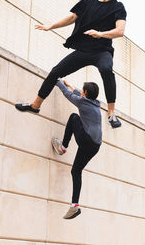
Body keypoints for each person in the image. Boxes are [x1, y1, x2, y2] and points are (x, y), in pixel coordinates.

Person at [15, 0, 127, 128]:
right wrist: (51, 26)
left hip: (102, 51)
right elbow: (73, 17)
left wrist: (100, 34)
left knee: (106, 69)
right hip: (83, 50)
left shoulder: (118, 7)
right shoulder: (88, 1)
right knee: (55, 72)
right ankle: (35, 105)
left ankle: (111, 113)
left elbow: (120, 31)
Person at [52, 78, 102, 219]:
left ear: (86, 93)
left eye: (83, 90)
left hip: (86, 141)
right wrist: (70, 84)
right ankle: (74, 206)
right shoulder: (96, 104)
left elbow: (67, 94)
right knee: (76, 170)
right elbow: (79, 93)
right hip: (95, 145)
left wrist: (57, 80)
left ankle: (63, 147)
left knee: (74, 117)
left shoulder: (82, 102)